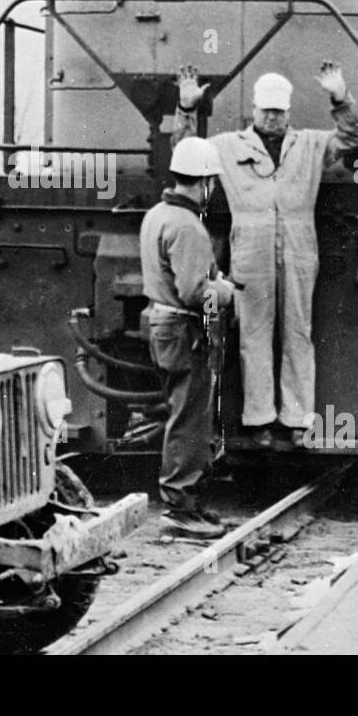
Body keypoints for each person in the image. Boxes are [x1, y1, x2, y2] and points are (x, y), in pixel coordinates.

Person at [173, 62, 358, 448]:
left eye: (279, 111)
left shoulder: (309, 143)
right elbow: (186, 150)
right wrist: (187, 108)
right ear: (254, 112)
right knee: (253, 334)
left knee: (298, 332)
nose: (273, 118)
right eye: (266, 111)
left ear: (288, 113)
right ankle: (258, 419)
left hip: (299, 247)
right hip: (251, 249)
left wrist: (340, 97)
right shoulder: (228, 146)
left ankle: (297, 418)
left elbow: (351, 137)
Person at [140, 137, 235, 539]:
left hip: (163, 326)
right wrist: (227, 290)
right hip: (184, 329)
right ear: (205, 183)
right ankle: (179, 509)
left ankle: (189, 504)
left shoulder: (157, 215)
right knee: (189, 417)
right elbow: (197, 291)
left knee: (185, 413)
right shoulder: (188, 227)